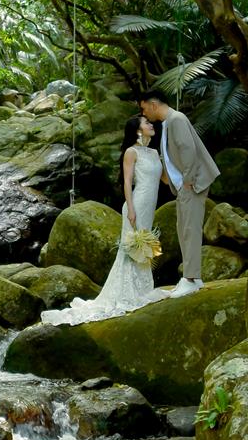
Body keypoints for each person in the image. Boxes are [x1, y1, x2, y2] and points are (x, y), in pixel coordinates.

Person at [41, 115, 169, 325]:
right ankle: (127, 292)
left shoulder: (154, 152)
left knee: (145, 245)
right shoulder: (131, 152)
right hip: (137, 202)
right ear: (138, 130)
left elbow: (164, 179)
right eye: (146, 123)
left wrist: (167, 157)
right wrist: (131, 209)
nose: (151, 125)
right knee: (131, 247)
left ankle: (143, 288)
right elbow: (127, 182)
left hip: (150, 205)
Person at [139, 89, 220, 298]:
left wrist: (188, 181)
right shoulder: (168, 123)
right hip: (184, 187)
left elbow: (188, 150)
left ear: (153, 105)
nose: (144, 113)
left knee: (190, 228)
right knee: (183, 228)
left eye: (144, 108)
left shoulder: (176, 119)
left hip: (192, 184)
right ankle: (193, 278)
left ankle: (191, 279)